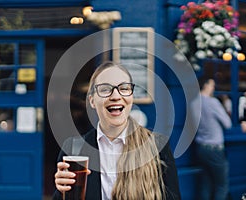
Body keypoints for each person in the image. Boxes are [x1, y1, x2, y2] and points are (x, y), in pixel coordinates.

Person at [53, 61, 181, 200]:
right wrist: (61, 192)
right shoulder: (73, 149)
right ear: (92, 101)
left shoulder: (156, 146)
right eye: (105, 89)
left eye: (124, 88)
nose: (115, 96)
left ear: (131, 96)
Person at [194, 78, 232, 200]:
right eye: (212, 85)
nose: (213, 88)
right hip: (214, 149)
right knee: (222, 186)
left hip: (200, 148)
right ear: (205, 85)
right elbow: (228, 123)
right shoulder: (212, 102)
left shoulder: (193, 102)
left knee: (206, 184)